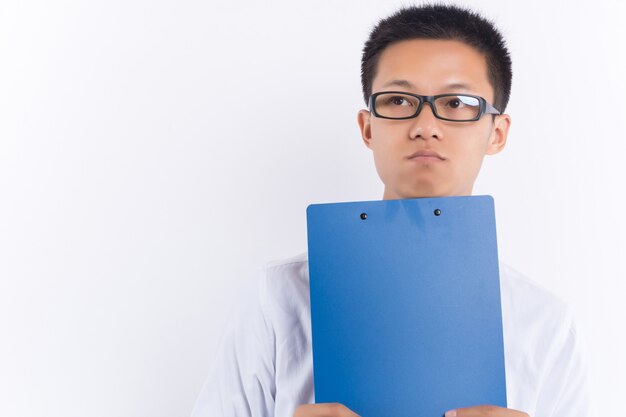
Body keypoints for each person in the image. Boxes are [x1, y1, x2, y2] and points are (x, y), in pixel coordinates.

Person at [191, 3, 590, 417]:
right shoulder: (280, 297)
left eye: (457, 102)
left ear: (497, 132)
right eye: (399, 100)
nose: (425, 125)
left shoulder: (546, 325)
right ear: (368, 127)